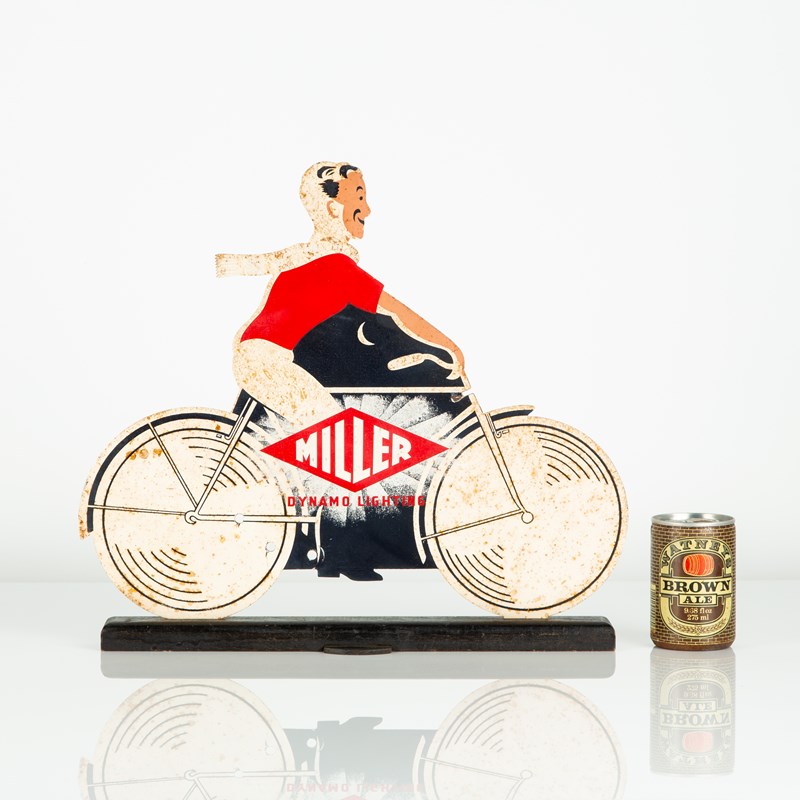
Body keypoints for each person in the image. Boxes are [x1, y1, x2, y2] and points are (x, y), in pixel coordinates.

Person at [216, 162, 464, 430]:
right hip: (265, 362)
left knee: (330, 432)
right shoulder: (337, 266)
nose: (367, 210)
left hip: (263, 357)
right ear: (333, 208)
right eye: (359, 198)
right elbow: (398, 312)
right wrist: (449, 347)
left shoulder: (309, 256)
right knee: (336, 432)